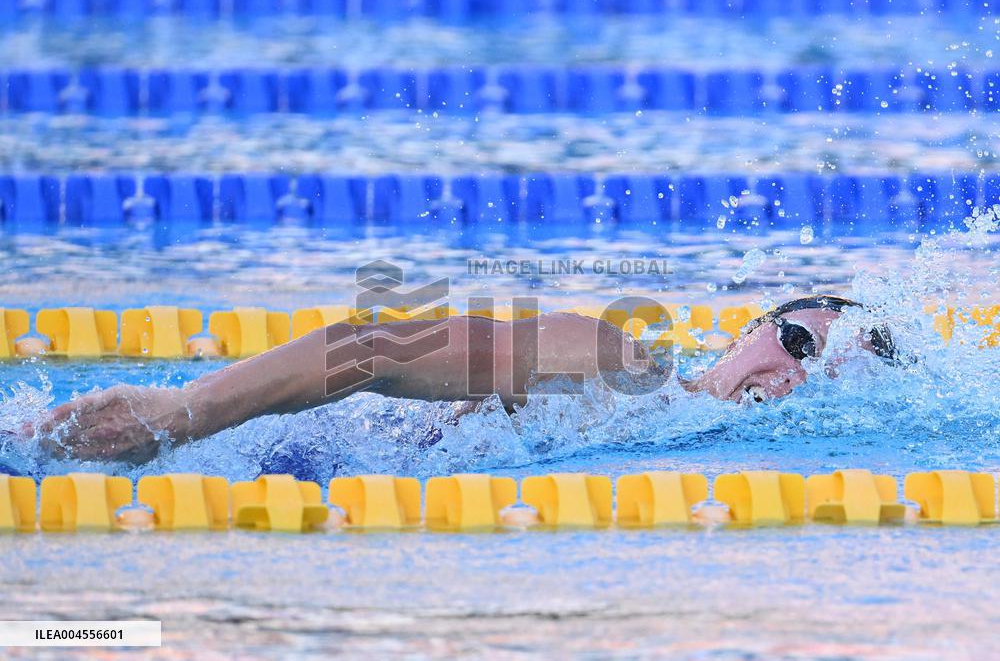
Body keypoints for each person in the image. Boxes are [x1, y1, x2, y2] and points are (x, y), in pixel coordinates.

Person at [31, 295, 896, 464]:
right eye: (796, 340)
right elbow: (372, 347)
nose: (790, 374)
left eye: (825, 379)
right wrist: (184, 410)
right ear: (749, 329)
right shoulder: (614, 362)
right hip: (243, 454)